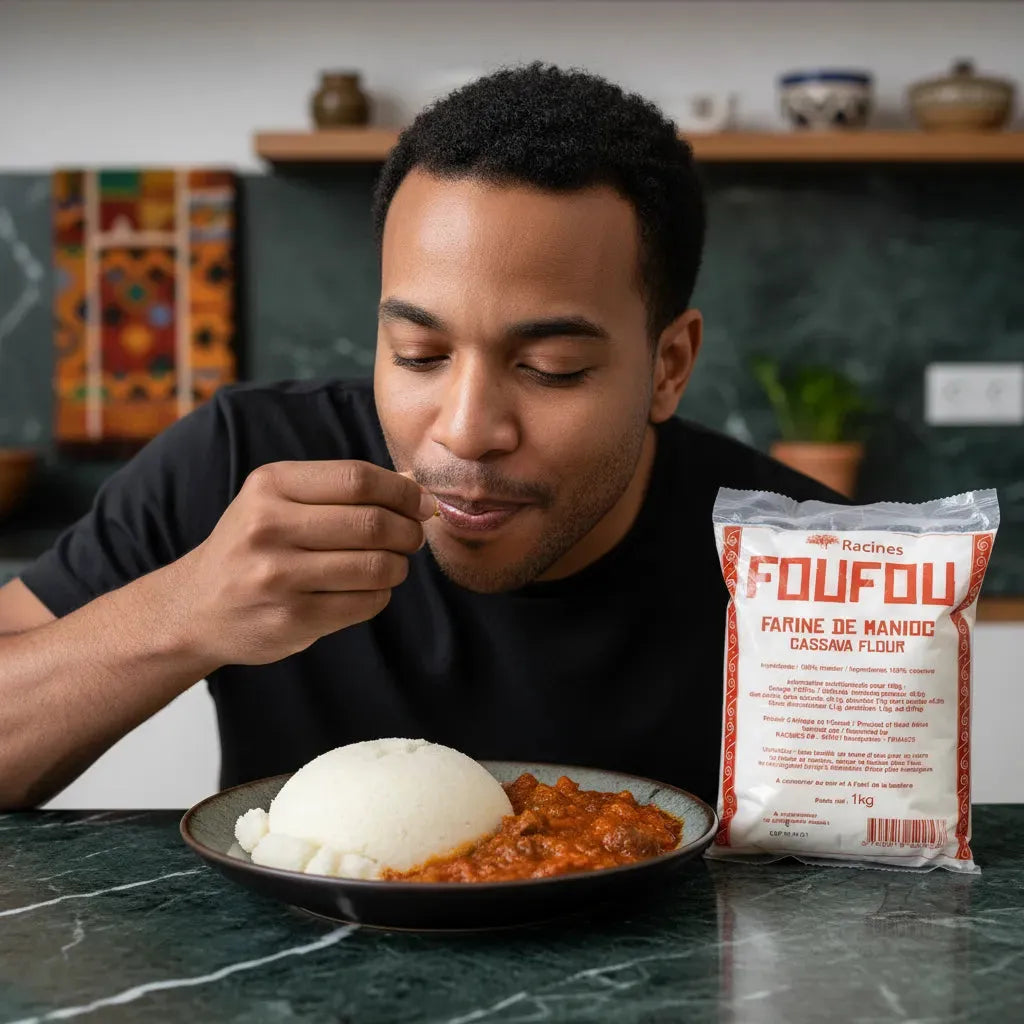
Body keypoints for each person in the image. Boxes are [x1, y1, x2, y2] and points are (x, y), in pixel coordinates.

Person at [0, 64, 837, 810]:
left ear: (668, 366)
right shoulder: (239, 463)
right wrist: (181, 611)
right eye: (419, 354)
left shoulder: (815, 572)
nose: (466, 432)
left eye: (549, 366)